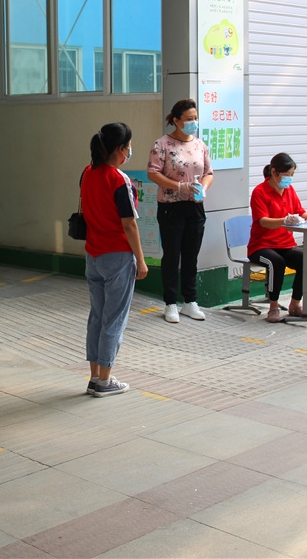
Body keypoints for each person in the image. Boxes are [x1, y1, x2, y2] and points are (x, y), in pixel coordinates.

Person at [82, 122, 148, 397]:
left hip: (93, 255)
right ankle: (105, 380)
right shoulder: (119, 180)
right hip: (118, 256)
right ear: (121, 149)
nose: (130, 151)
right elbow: (129, 224)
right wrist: (141, 260)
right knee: (114, 320)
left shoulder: (88, 172)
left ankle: (94, 376)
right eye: (129, 146)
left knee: (97, 317)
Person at [146, 99, 214, 323]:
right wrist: (179, 186)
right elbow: (153, 173)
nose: (193, 122)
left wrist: (203, 188)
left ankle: (190, 301)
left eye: (195, 118)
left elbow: (209, 173)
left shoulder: (200, 145)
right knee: (172, 254)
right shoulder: (162, 144)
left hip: (195, 205)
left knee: (191, 254)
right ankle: (170, 303)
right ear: (176, 120)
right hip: (170, 206)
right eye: (189, 119)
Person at [248, 153, 307, 323]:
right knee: (276, 262)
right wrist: (284, 220)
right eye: (286, 175)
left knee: (306, 262)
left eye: (292, 175)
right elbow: (263, 221)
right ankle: (273, 306)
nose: (289, 179)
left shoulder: (289, 190)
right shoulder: (260, 192)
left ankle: (295, 304)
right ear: (274, 172)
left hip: (285, 244)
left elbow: (300, 212)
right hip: (261, 246)